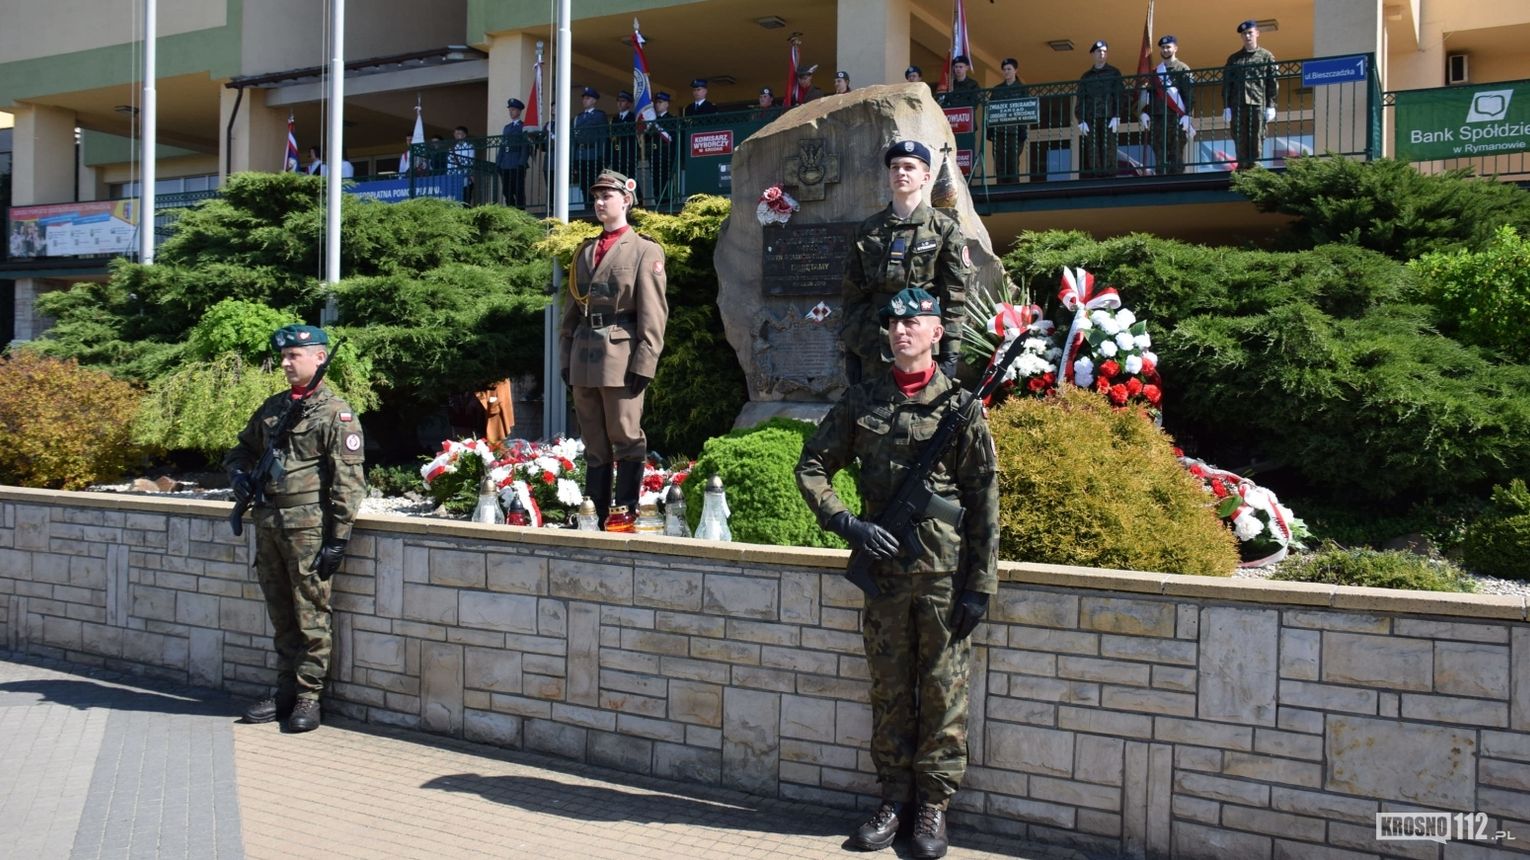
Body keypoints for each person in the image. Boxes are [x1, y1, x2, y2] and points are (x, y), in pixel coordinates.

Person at [795, 286, 997, 860]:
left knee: (941, 691)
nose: (902, 329)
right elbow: (812, 466)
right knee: (887, 690)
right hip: (883, 574)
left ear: (937, 332)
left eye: (914, 321)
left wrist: (980, 586)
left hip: (941, 577)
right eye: (894, 323)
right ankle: (893, 800)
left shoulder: (960, 407)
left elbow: (984, 501)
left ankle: (933, 808)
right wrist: (848, 525)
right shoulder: (862, 401)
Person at [225, 325, 366, 733]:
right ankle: (284, 691)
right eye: (283, 356)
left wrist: (338, 538)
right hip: (268, 522)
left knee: (311, 613)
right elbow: (240, 450)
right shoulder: (274, 407)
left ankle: (309, 696)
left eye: (294, 356)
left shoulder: (334, 413)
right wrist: (238, 475)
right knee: (281, 612)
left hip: (307, 527)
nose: (285, 363)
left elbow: (348, 481)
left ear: (319, 358)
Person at [559, 170, 668, 531]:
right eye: (596, 196)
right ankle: (595, 514)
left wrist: (646, 360)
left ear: (626, 200)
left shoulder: (644, 249)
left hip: (621, 355)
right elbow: (571, 312)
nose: (600, 202)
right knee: (592, 438)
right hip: (584, 356)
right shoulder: (585, 251)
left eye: (608, 195)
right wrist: (565, 358)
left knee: (625, 434)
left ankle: (624, 513)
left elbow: (654, 312)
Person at [841, 140, 971, 384]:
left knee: (920, 416)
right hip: (873, 346)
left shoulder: (943, 230)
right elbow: (852, 296)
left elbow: (954, 297)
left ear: (925, 177)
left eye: (909, 167)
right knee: (872, 417)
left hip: (921, 343)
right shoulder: (867, 230)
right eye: (895, 167)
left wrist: (949, 354)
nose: (900, 172)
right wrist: (852, 348)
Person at [1223, 19, 1278, 170]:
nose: (1247, 36)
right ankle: (1242, 166)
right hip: (1237, 104)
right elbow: (1227, 83)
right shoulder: (1234, 59)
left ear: (1257, 34)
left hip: (1257, 103)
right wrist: (1226, 106)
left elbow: (1272, 82)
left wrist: (1271, 105)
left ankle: (1255, 166)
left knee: (1257, 135)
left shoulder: (1266, 56)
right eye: (1244, 34)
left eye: (1250, 33)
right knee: (1239, 135)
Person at [1140, 35, 1196, 175]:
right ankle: (1161, 181)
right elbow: (1150, 95)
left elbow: (1189, 93)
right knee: (1159, 152)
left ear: (1175, 48)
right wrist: (1145, 111)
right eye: (1163, 48)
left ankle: (1176, 183)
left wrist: (1188, 113)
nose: (1165, 50)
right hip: (1158, 118)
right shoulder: (1156, 72)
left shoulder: (1182, 68)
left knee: (1176, 153)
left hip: (1176, 117)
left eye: (1168, 47)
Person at [1075, 40, 1124, 179]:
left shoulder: (1114, 72)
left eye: (1104, 51)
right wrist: (1081, 119)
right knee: (1093, 149)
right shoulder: (1086, 76)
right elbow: (1080, 99)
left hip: (1109, 117)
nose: (1102, 54)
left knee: (1109, 148)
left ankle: (1110, 177)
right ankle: (1096, 177)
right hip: (1091, 118)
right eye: (1099, 51)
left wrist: (1117, 115)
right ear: (1093, 54)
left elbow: (1119, 95)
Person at [985, 57, 1029, 184]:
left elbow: (1025, 110)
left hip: (1014, 132)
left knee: (1013, 161)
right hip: (999, 131)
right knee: (999, 161)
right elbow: (991, 111)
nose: (1006, 72)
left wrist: (1022, 130)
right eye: (1004, 70)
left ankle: (1013, 188)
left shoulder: (1022, 89)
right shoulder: (997, 90)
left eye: (1009, 69)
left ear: (1016, 70)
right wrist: (990, 130)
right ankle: (1001, 187)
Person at [573, 87, 609, 204]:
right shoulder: (578, 117)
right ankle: (586, 205)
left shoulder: (599, 115)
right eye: (584, 98)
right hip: (581, 154)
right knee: (584, 184)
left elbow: (603, 136)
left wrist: (602, 155)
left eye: (588, 98)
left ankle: (595, 205)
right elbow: (574, 138)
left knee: (595, 183)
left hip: (593, 153)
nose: (584, 100)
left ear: (594, 101)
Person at [498, 98, 532, 206]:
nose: (511, 112)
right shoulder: (507, 128)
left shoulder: (523, 126)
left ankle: (520, 211)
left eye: (513, 110)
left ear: (518, 111)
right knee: (506, 191)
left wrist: (522, 162)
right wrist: (499, 162)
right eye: (510, 110)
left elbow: (525, 146)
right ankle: (511, 210)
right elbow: (502, 146)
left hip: (517, 163)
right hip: (506, 164)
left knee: (518, 190)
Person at [647, 92, 678, 206]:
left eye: (660, 102)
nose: (657, 105)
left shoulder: (671, 119)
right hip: (654, 154)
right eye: (656, 102)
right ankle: (658, 202)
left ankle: (666, 203)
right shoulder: (653, 120)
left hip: (666, 155)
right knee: (655, 181)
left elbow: (670, 138)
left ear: (667, 104)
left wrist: (657, 127)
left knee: (665, 180)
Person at [610, 91, 640, 199]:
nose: (619, 103)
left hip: (629, 153)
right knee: (618, 179)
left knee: (629, 178)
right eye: (618, 101)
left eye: (622, 101)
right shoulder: (615, 118)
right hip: (617, 154)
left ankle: (635, 198)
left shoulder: (633, 117)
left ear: (629, 104)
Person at [450, 126, 476, 203]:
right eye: (455, 134)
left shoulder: (469, 147)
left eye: (459, 134)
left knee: (466, 201)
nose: (456, 136)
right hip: (455, 178)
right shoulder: (453, 148)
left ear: (464, 135)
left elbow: (469, 162)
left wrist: (458, 162)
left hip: (466, 179)